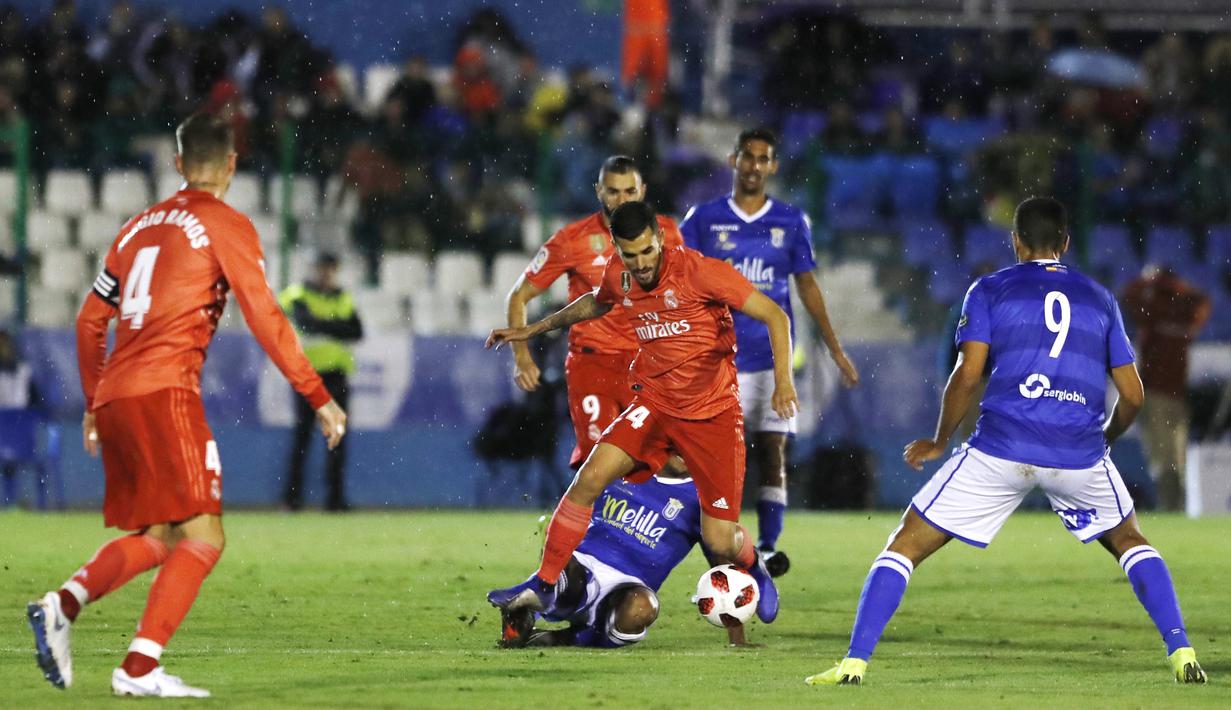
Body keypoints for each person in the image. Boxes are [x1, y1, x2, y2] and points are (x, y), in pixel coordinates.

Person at [805, 198, 1206, 686]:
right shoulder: (1098, 297)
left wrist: (939, 439)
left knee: (905, 545)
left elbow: (967, 373)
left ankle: (854, 663)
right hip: (1078, 454)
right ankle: (1182, 650)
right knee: (1130, 541)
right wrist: (1106, 439)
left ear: (1015, 242)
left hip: (1001, 449)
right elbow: (1133, 396)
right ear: (1066, 242)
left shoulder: (990, 289)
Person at [26, 113, 348, 698]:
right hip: (164, 390)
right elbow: (265, 316)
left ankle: (63, 604)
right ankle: (139, 668)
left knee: (159, 536)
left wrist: (96, 402)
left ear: (177, 164)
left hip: (118, 393)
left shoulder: (137, 228)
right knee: (204, 536)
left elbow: (90, 320)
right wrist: (318, 395)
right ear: (231, 163)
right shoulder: (226, 225)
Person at [485, 201, 797, 627]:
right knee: (589, 478)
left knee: (720, 542)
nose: (641, 263)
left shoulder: (701, 272)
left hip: (712, 417)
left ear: (661, 238)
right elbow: (596, 303)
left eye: (648, 251)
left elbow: (775, 316)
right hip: (654, 405)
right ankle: (543, 583)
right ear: (617, 248)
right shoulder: (621, 274)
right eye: (630, 254)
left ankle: (754, 565)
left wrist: (783, 382)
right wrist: (534, 329)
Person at [681, 128, 859, 575]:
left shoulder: (791, 222)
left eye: (764, 159)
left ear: (773, 167)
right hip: (719, 363)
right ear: (733, 160)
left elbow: (808, 287)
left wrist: (834, 348)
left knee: (773, 451)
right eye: (748, 157)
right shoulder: (703, 220)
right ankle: (726, 542)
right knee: (723, 459)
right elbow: (680, 281)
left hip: (771, 361)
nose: (754, 166)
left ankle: (767, 545)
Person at [505, 155, 682, 471]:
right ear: (599, 191)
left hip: (646, 366)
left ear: (642, 191)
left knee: (667, 462)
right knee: (599, 464)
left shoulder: (666, 234)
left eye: (629, 191)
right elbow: (518, 296)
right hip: (593, 365)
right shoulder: (572, 240)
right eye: (613, 191)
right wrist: (522, 357)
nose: (621, 199)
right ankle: (584, 520)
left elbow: (681, 296)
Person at [499, 472, 753, 649]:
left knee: (643, 608)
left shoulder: (702, 496)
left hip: (627, 589)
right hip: (583, 565)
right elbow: (575, 502)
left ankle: (563, 638)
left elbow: (720, 559)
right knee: (565, 568)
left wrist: (736, 634)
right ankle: (526, 607)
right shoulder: (623, 463)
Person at [279, 251, 363, 511]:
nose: (326, 274)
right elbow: (306, 324)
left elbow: (357, 331)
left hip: (335, 375)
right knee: (302, 437)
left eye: (331, 268)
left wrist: (323, 324)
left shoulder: (343, 297)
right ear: (314, 268)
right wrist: (336, 326)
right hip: (307, 375)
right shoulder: (297, 294)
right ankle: (292, 500)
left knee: (336, 438)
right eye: (323, 268)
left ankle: (334, 500)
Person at [1121, 266, 1211, 511]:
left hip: (1171, 397)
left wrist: (1157, 280)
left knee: (1171, 460)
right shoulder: (1166, 313)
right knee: (1166, 459)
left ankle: (1174, 509)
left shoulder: (1164, 311)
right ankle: (1171, 508)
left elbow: (1130, 294)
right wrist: (1168, 284)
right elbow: (1128, 295)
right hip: (1158, 396)